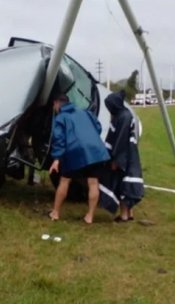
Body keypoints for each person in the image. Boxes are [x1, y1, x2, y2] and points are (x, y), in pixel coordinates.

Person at [48, 94, 111, 224]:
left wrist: (56, 159)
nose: (54, 108)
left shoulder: (61, 118)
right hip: (95, 151)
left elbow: (59, 139)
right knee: (93, 183)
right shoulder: (85, 112)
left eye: (54, 105)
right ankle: (90, 216)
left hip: (75, 152)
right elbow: (98, 127)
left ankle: (55, 212)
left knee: (64, 181)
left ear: (57, 103)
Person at [104, 90, 144, 222]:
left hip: (124, 157)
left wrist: (116, 160)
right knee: (127, 183)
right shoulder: (124, 115)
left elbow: (120, 140)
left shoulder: (123, 117)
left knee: (123, 184)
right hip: (130, 156)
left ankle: (124, 215)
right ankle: (130, 213)